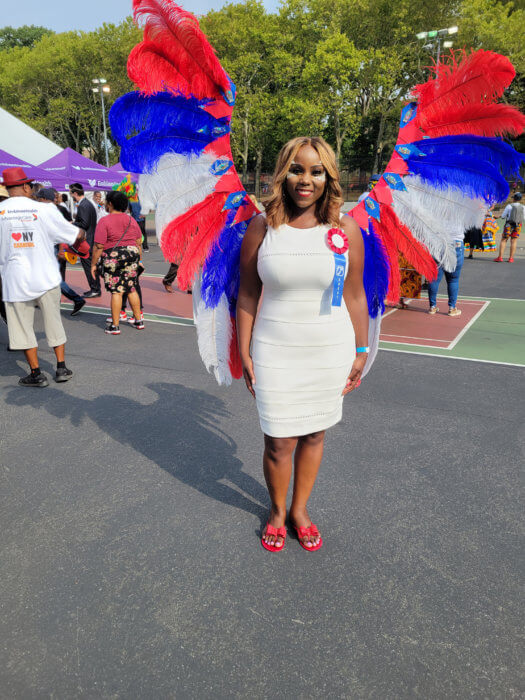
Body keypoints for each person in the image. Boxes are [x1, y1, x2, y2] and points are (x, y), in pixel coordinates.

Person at [237, 137, 369, 552]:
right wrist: (243, 351)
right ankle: (277, 511)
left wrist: (361, 352)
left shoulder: (346, 230)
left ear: (329, 176)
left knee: (314, 433)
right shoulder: (262, 227)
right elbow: (246, 293)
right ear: (282, 173)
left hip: (329, 348)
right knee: (278, 439)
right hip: (273, 349)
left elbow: (355, 295)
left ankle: (300, 510)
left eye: (315, 171)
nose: (305, 180)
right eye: (296, 169)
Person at [0, 167, 85, 386]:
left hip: (15, 279)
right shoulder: (44, 210)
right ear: (26, 187)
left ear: (7, 188)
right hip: (45, 276)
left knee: (22, 326)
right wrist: (82, 236)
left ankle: (36, 373)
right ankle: (61, 367)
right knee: (54, 321)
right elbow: (74, 235)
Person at [91, 190, 144, 334]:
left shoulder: (104, 221)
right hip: (132, 255)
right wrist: (139, 260)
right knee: (131, 287)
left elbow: (99, 246)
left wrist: (94, 264)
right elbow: (139, 242)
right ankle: (138, 320)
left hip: (114, 257)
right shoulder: (131, 220)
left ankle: (115, 326)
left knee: (117, 291)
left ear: (110, 204)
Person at [35, 188, 86, 316]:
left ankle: (76, 299)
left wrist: (62, 249)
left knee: (53, 278)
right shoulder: (52, 210)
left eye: (39, 198)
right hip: (50, 248)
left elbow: (62, 231)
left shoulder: (53, 211)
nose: (37, 200)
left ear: (44, 199)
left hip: (51, 248)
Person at [70, 183, 100, 297]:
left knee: (88, 266)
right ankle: (95, 288)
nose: (71, 196)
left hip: (87, 240)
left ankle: (95, 288)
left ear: (75, 193)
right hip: (91, 238)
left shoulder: (83, 205)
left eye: (71, 193)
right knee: (91, 265)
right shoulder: (87, 204)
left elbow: (84, 223)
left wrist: (73, 223)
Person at [427, 234, 464, 316]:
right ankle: (452, 308)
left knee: (434, 279)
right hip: (456, 244)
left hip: (438, 242)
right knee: (453, 280)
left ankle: (432, 307)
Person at [495, 192, 524, 263]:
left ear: (514, 198)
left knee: (504, 240)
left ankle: (500, 257)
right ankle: (511, 258)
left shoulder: (509, 206)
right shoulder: (523, 207)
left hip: (509, 224)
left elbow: (503, 216)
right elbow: (523, 217)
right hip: (518, 225)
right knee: (514, 241)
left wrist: (499, 217)